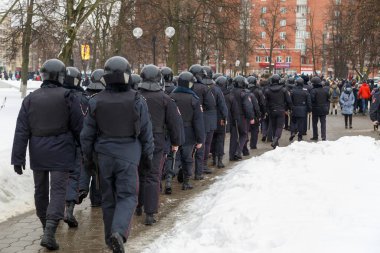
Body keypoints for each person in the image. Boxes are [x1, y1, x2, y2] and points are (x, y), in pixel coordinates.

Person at [80, 56, 154, 253]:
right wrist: (148, 159)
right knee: (128, 196)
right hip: (129, 156)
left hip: (103, 156)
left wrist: (88, 160)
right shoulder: (138, 100)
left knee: (108, 199)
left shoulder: (95, 101)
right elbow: (147, 134)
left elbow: (86, 135)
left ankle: (110, 239)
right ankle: (118, 233)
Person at [11, 59, 83, 250]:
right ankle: (50, 231)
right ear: (61, 75)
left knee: (40, 191)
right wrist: (83, 147)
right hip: (62, 150)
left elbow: (21, 130)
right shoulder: (68, 95)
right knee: (58, 190)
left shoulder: (31, 98)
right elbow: (78, 125)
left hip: (38, 150)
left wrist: (18, 158)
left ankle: (45, 227)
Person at [137, 64, 183, 225]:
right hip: (157, 140)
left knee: (139, 173)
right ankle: (150, 213)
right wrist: (176, 142)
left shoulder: (135, 96)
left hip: (137, 140)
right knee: (153, 176)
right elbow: (174, 123)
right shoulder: (165, 99)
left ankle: (138, 204)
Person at [170, 71, 205, 190]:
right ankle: (186, 181)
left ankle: (171, 178)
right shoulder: (193, 99)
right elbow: (198, 121)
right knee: (187, 158)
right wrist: (200, 138)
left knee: (174, 156)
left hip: (173, 131)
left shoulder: (171, 96)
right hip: (189, 132)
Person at [62, 66, 86, 228]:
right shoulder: (82, 99)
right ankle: (68, 210)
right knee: (73, 176)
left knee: (57, 179)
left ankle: (54, 213)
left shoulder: (58, 96)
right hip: (75, 143)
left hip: (57, 142)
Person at [77, 69, 105, 207]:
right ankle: (96, 199)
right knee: (97, 169)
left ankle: (82, 188)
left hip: (83, 136)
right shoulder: (103, 98)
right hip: (99, 137)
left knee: (86, 163)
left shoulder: (83, 96)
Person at [189, 64, 216, 178]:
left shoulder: (184, 87)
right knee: (201, 144)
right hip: (202, 119)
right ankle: (198, 172)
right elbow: (211, 104)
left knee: (188, 146)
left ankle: (185, 171)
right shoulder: (204, 88)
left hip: (187, 120)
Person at [202, 66, 228, 168]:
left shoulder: (199, 87)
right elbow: (222, 105)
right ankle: (219, 159)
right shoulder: (216, 89)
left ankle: (213, 158)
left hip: (206, 118)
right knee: (220, 139)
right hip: (219, 118)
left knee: (210, 140)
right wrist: (225, 117)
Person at [230, 75, 255, 160]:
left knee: (233, 136)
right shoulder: (244, 93)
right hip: (242, 116)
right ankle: (238, 152)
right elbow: (247, 106)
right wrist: (251, 117)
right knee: (243, 134)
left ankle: (231, 155)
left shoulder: (231, 91)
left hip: (232, 116)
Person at [265, 74, 292, 148]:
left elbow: (265, 102)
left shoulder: (267, 90)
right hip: (281, 110)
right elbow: (289, 100)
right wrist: (289, 108)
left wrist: (267, 110)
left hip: (271, 110)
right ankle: (276, 139)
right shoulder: (283, 90)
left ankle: (275, 143)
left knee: (273, 126)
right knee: (279, 126)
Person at [247, 76, 265, 149]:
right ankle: (253, 145)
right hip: (255, 112)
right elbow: (262, 103)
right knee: (255, 129)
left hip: (246, 112)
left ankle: (244, 145)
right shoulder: (258, 91)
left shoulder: (244, 90)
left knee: (245, 129)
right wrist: (262, 113)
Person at [310, 76, 330, 141]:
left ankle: (315, 136)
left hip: (315, 109)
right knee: (323, 123)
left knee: (314, 123)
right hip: (324, 109)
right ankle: (323, 137)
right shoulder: (325, 90)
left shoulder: (313, 91)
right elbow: (328, 99)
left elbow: (312, 99)